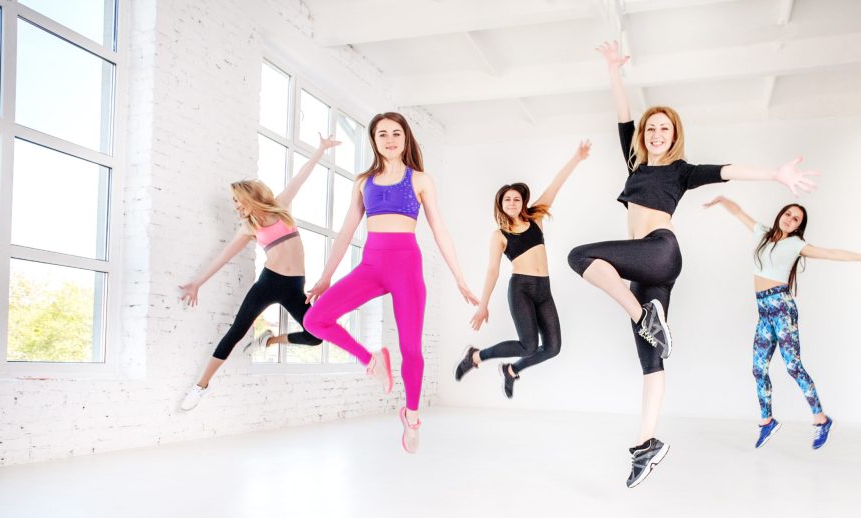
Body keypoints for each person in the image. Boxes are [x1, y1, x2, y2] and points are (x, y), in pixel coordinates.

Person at [568, 41, 819, 488]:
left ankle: (645, 317)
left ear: (674, 133)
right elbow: (623, 113)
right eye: (651, 130)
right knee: (650, 360)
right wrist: (613, 71)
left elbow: (729, 170)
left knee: (579, 256)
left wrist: (775, 174)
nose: (655, 134)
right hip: (645, 271)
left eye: (663, 129)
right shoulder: (633, 160)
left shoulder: (682, 170)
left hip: (661, 250)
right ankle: (647, 443)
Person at [303, 112, 478, 453]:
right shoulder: (362, 181)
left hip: (406, 268)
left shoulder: (421, 180)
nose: (389, 139)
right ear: (374, 140)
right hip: (371, 266)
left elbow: (440, 230)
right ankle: (371, 360)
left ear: (405, 137)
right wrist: (325, 278)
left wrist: (459, 277)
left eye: (395, 133)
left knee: (411, 348)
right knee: (314, 319)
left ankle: (411, 416)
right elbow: (345, 234)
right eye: (382, 134)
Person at [704, 195, 861, 449]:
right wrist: (721, 200)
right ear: (781, 214)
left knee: (793, 366)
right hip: (763, 311)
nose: (790, 219)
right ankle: (767, 422)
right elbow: (739, 212)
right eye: (788, 214)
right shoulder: (762, 233)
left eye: (796, 219)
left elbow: (831, 254)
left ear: (798, 227)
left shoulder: (796, 245)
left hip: (782, 308)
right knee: (758, 368)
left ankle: (821, 419)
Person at [178, 136, 338, 411]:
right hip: (269, 282)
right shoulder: (248, 229)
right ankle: (200, 385)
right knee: (237, 331)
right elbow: (223, 257)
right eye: (233, 201)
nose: (236, 205)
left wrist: (320, 151)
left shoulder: (281, 206)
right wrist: (197, 283)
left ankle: (268, 340)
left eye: (238, 200)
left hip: (294, 286)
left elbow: (301, 177)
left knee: (315, 335)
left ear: (251, 196)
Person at [454, 141, 591, 398]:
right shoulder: (500, 234)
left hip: (544, 289)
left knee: (552, 347)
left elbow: (555, 185)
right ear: (501, 204)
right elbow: (492, 271)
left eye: (517, 198)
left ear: (523, 202)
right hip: (521, 289)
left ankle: (511, 371)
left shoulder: (535, 218)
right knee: (528, 345)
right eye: (508, 199)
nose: (513, 202)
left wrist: (577, 158)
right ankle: (475, 356)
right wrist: (483, 305)